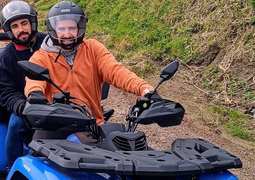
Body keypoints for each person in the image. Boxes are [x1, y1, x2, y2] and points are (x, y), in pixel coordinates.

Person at [24, 1, 157, 127]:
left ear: (80, 28)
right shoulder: (41, 57)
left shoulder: (93, 49)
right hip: (55, 125)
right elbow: (34, 80)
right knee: (36, 149)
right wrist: (35, 93)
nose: (67, 33)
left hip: (92, 124)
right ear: (53, 29)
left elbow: (116, 71)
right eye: (61, 28)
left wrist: (145, 89)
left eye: (71, 28)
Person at [0, 0, 45, 180]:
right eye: (15, 26)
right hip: (23, 107)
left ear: (33, 23)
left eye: (24, 23)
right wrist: (23, 107)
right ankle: (10, 175)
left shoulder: (50, 45)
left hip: (53, 103)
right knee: (16, 124)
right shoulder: (5, 59)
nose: (21, 30)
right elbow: (5, 93)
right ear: (9, 30)